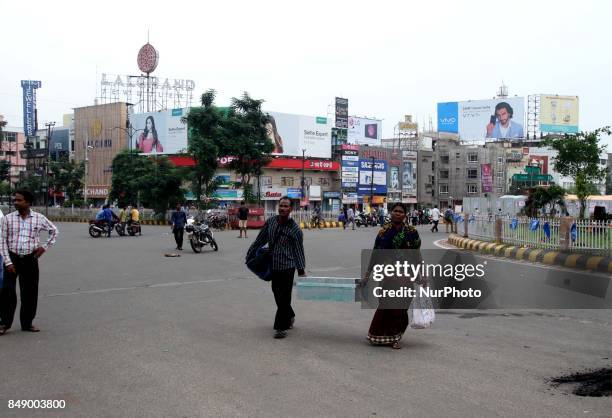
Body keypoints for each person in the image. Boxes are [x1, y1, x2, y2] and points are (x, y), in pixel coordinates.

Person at [361, 203, 421, 349]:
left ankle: (396, 334)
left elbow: (417, 254)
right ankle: (388, 336)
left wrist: (422, 274)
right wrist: (367, 276)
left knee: (402, 307)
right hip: (387, 276)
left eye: (401, 211)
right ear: (391, 213)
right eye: (395, 211)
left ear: (405, 215)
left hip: (406, 275)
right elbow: (375, 254)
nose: (398, 213)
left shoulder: (412, 232)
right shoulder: (383, 232)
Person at [0, 190, 58, 335]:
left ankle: (27, 323)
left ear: (28, 202)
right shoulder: (7, 219)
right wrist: (8, 262)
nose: (15, 202)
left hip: (30, 259)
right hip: (12, 258)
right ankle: (4, 323)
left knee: (30, 293)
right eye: (15, 200)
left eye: (19, 200)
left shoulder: (38, 218)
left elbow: (54, 231)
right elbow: (1, 241)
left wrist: (44, 247)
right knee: (7, 293)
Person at [247, 196, 306, 339]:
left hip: (288, 266)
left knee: (285, 296)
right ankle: (290, 315)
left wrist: (301, 270)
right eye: (281, 206)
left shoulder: (295, 230)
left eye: (286, 206)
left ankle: (281, 327)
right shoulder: (271, 222)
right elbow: (260, 239)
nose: (283, 208)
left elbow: (298, 250)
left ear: (291, 209)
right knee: (276, 293)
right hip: (274, 265)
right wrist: (250, 254)